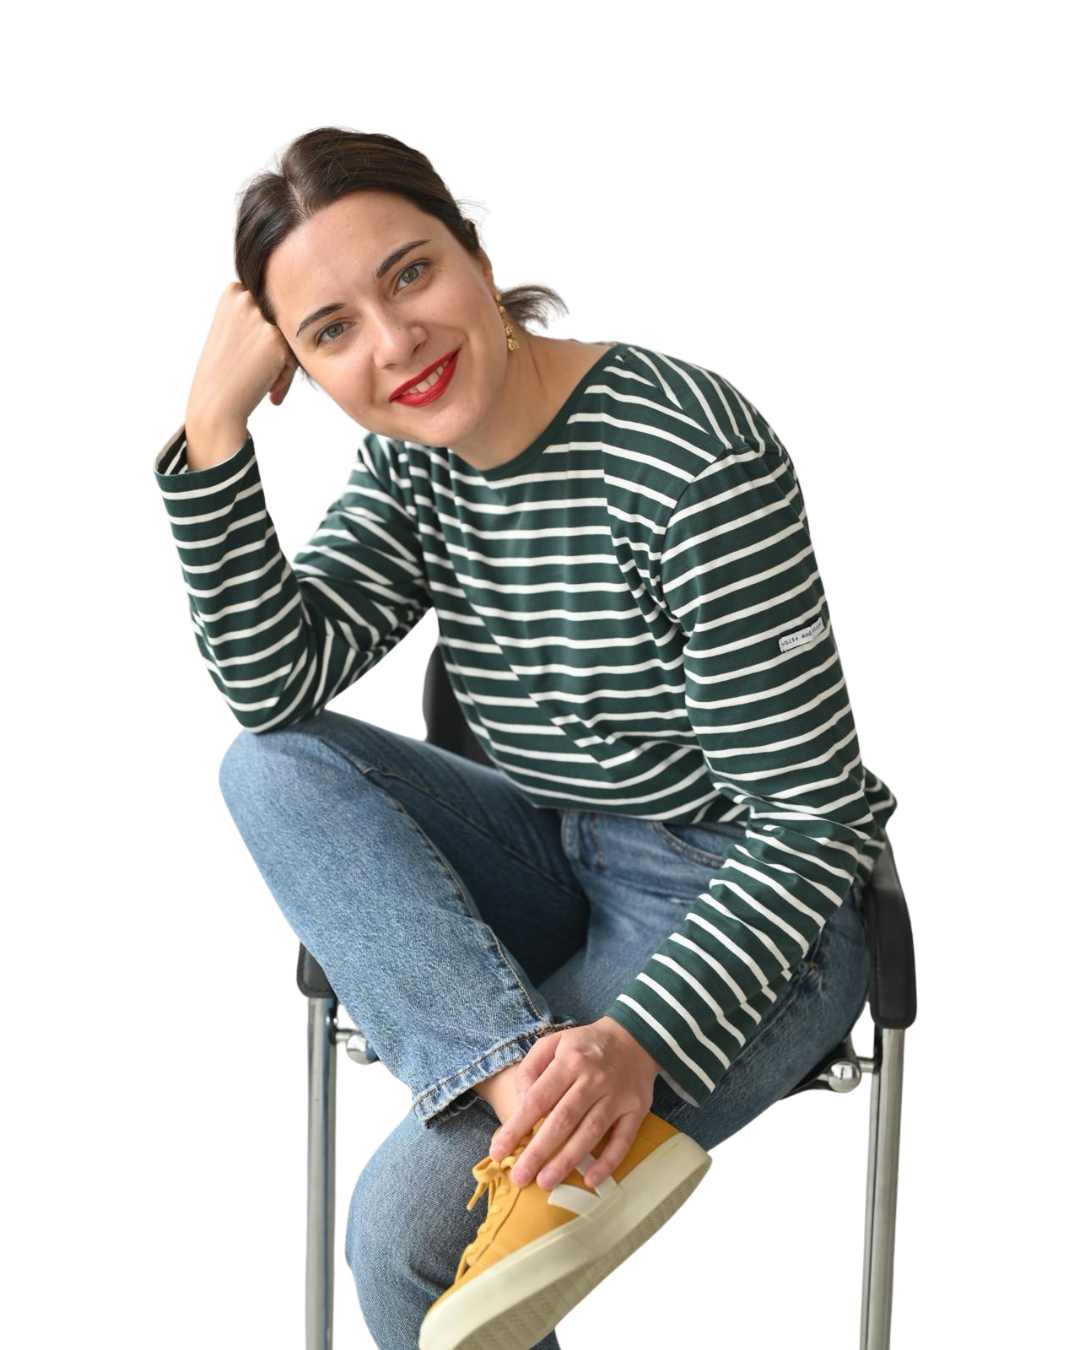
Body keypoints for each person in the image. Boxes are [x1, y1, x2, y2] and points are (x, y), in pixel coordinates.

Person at [154, 126, 895, 1349]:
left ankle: (550, 1115)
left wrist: (640, 1043)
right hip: (561, 852)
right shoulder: (413, 461)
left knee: (402, 1248)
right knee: (263, 765)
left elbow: (811, 822)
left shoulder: (691, 456)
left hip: (754, 910)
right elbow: (273, 682)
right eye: (330, 331)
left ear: (477, 252)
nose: (396, 347)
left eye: (409, 275)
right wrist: (216, 431)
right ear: (303, 367)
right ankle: (523, 1085)